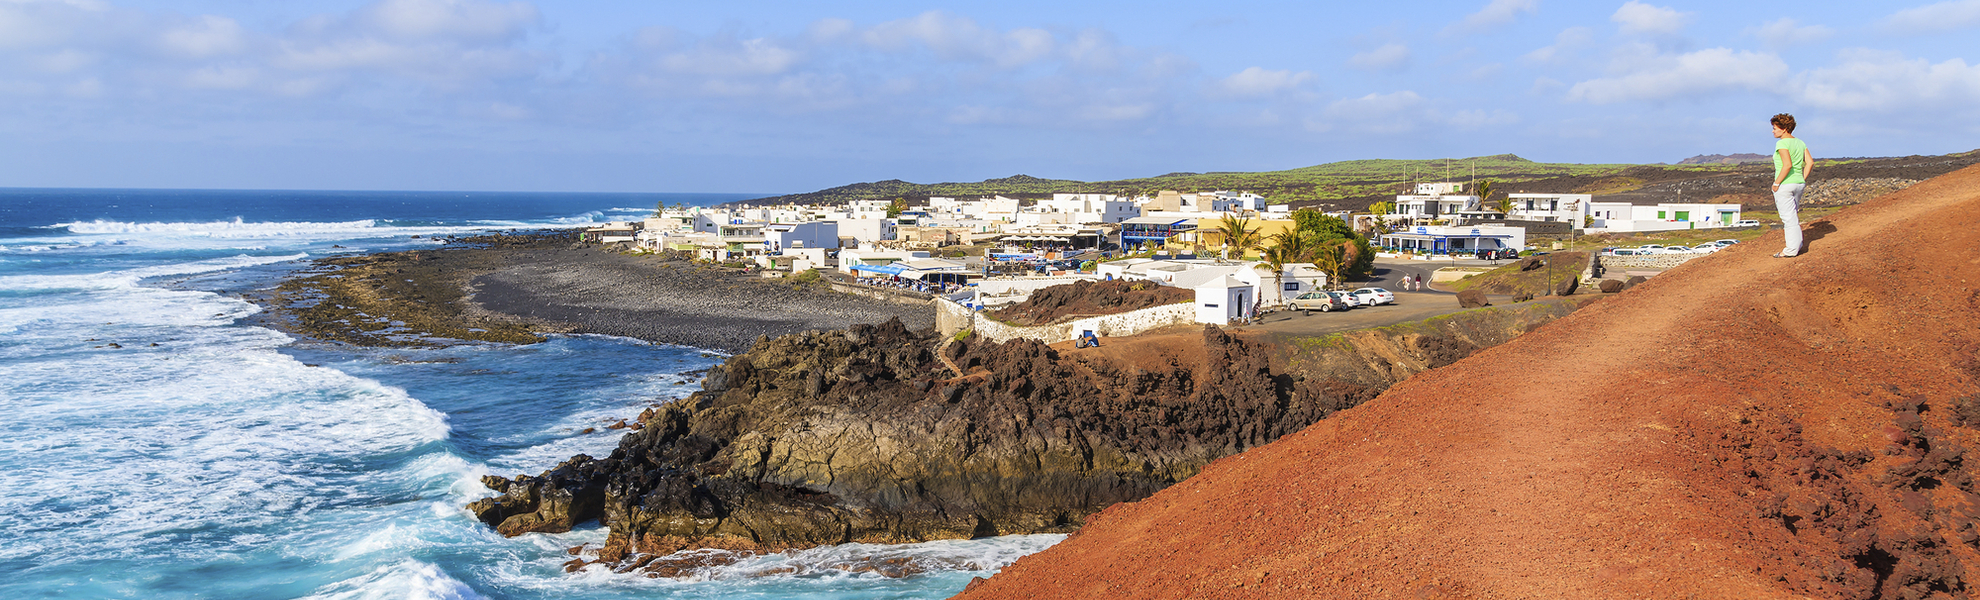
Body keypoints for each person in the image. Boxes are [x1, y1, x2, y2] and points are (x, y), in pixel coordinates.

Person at [1770, 113, 1812, 258]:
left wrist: (1776, 183)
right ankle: (1796, 245)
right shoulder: (1800, 143)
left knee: (1789, 218)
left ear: (1784, 129)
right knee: (1793, 216)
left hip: (1785, 185)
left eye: (1775, 128)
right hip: (1798, 183)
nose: (1773, 131)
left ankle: (1791, 250)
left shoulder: (1782, 143)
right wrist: (1801, 178)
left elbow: (1787, 165)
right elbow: (1810, 162)